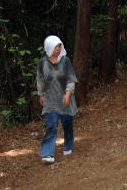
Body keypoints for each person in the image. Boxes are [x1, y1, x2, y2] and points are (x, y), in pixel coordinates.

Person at [37, 35, 78, 164]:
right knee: (51, 126)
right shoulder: (42, 63)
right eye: (56, 46)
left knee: (67, 124)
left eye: (60, 46)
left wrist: (67, 94)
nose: (58, 49)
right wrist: (41, 94)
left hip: (64, 98)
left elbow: (71, 79)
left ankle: (68, 145)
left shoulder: (65, 61)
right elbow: (40, 80)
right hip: (50, 100)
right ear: (49, 47)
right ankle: (47, 154)